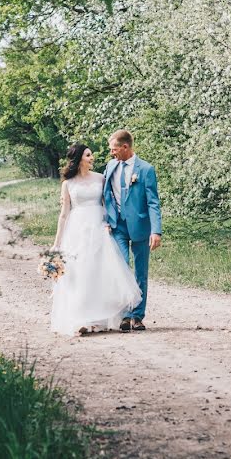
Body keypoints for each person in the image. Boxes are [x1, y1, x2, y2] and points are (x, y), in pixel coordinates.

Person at [50, 143, 142, 336]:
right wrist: (57, 242)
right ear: (79, 159)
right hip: (77, 230)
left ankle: (98, 319)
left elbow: (108, 203)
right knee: (79, 273)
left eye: (91, 155)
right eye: (88, 155)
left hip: (98, 228)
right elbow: (64, 214)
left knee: (98, 272)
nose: (92, 158)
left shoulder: (101, 178)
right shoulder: (68, 183)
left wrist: (110, 222)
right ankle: (81, 319)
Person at [102, 130, 162, 332]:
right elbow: (104, 194)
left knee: (140, 273)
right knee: (122, 270)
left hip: (141, 228)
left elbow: (153, 202)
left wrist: (156, 231)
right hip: (118, 226)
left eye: (114, 149)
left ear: (125, 147)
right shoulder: (110, 167)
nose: (112, 153)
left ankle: (137, 316)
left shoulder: (146, 169)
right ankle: (125, 315)